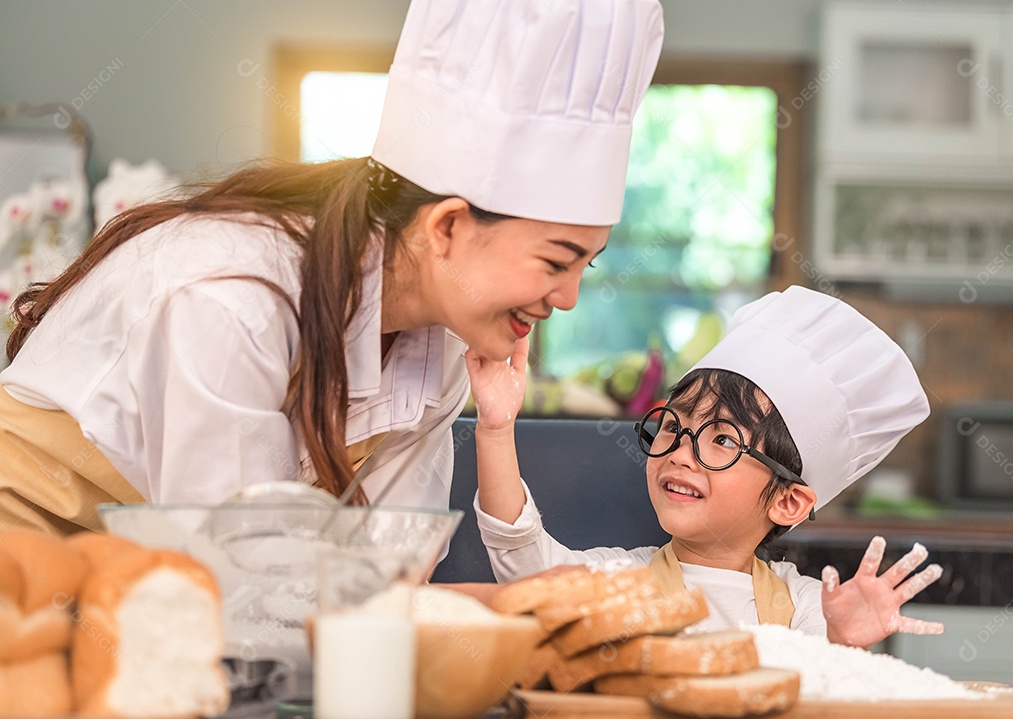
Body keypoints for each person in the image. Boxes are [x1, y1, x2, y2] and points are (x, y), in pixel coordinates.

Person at [0, 0, 665, 534]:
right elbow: (238, 571)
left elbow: (387, 565)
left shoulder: (440, 350)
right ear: (447, 227)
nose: (569, 297)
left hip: (160, 597)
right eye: (556, 261)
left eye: (586, 266)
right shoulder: (230, 299)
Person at [469, 286, 944, 648]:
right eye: (673, 426)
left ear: (788, 501)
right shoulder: (616, 580)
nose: (679, 453)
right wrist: (495, 429)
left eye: (722, 440)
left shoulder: (805, 606)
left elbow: (825, 690)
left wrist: (842, 645)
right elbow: (524, 563)